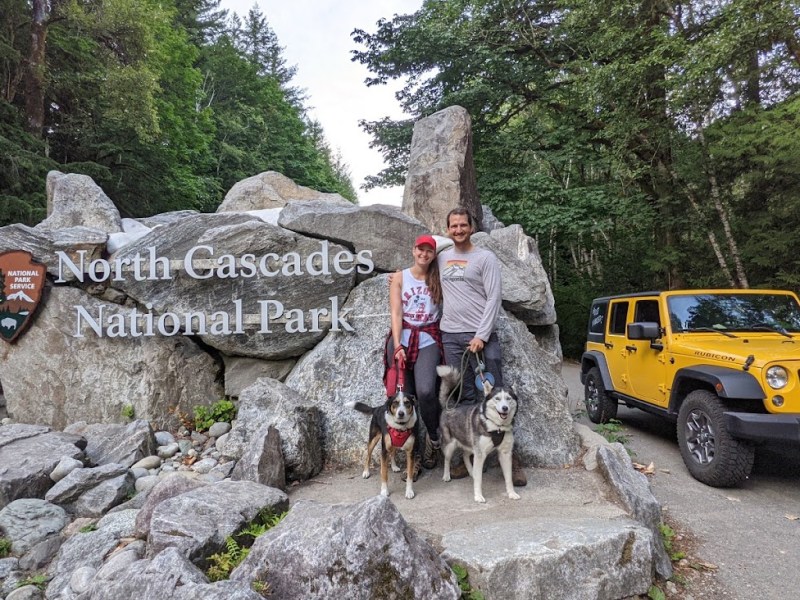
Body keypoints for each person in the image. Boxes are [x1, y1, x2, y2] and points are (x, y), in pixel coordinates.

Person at [438, 206, 527, 486]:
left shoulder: (485, 258)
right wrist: (396, 277)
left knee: (499, 394)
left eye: (463, 225)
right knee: (465, 396)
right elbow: (420, 260)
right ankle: (469, 456)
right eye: (453, 226)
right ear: (448, 229)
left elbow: (493, 298)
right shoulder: (442, 257)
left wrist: (482, 335)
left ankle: (511, 459)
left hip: (482, 336)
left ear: (472, 227)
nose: (458, 230)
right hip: (451, 335)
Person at [385, 234, 443, 480]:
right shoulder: (400, 277)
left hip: (428, 337)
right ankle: (415, 455)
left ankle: (434, 437)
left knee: (426, 391)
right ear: (413, 250)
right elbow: (396, 313)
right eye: (420, 249)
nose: (424, 254)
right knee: (402, 397)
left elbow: (451, 245)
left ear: (434, 254)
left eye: (429, 250)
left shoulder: (439, 276)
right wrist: (398, 344)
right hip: (403, 338)